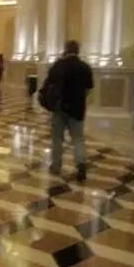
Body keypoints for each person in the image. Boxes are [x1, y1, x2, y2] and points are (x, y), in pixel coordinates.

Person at [44, 40, 94, 181]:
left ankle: (56, 165)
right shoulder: (85, 67)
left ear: (65, 49)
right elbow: (88, 89)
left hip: (59, 107)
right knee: (78, 139)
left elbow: (49, 84)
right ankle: (80, 164)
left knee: (57, 138)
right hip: (77, 108)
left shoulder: (58, 65)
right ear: (78, 50)